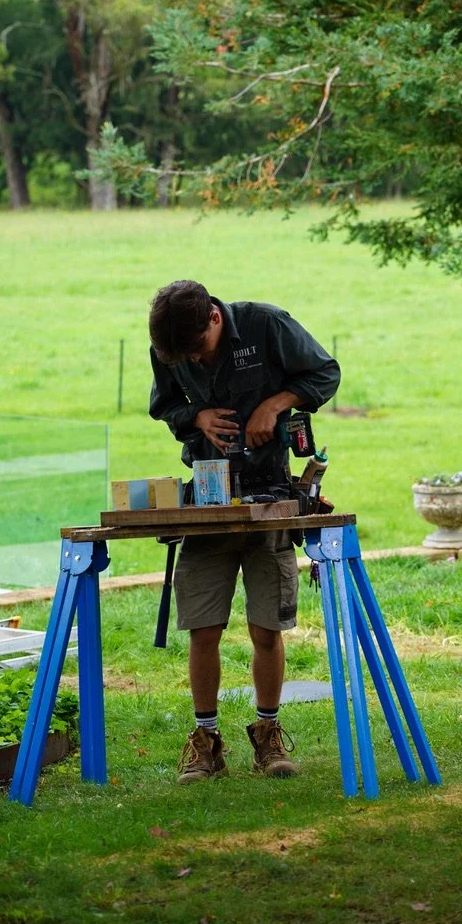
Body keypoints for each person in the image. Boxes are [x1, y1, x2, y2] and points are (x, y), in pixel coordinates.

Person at [149, 280, 340, 784]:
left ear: (214, 318)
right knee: (204, 627)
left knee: (265, 628)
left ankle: (268, 733)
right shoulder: (169, 345)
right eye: (182, 357)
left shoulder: (266, 324)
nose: (191, 360)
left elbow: (325, 372)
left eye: (198, 350)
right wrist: (196, 416)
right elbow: (164, 407)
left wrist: (276, 403)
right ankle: (206, 741)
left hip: (271, 493)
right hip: (209, 497)